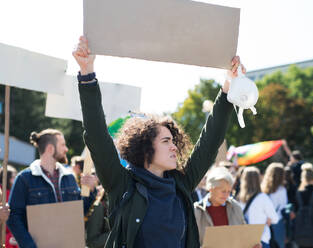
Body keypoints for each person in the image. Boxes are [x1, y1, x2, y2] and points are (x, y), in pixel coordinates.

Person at [74, 36, 246, 247]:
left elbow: (210, 142)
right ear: (145, 148)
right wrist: (87, 74)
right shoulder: (123, 184)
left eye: (173, 140)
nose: (174, 146)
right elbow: (96, 134)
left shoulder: (181, 183)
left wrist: (228, 85)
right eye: (166, 141)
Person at [7, 129, 96, 248]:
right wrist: (29, 245)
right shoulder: (24, 179)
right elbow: (13, 217)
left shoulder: (69, 177)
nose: (66, 149)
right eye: (63, 145)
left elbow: (78, 213)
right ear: (50, 148)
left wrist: (90, 190)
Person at [194, 167, 245, 245]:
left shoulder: (236, 207)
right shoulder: (197, 210)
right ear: (211, 188)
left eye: (229, 191)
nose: (226, 195)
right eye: (223, 191)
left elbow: (244, 235)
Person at [238, 166, 279, 248]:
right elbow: (275, 219)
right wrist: (268, 219)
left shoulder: (239, 198)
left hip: (245, 240)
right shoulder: (263, 198)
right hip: (261, 239)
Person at [261, 163, 288, 248]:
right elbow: (284, 206)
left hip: (264, 223)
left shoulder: (262, 189)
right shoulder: (282, 190)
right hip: (278, 223)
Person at [0, 165, 18, 248]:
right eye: (13, 177)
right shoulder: (2, 193)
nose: (15, 179)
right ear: (6, 178)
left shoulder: (13, 192)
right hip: (4, 233)